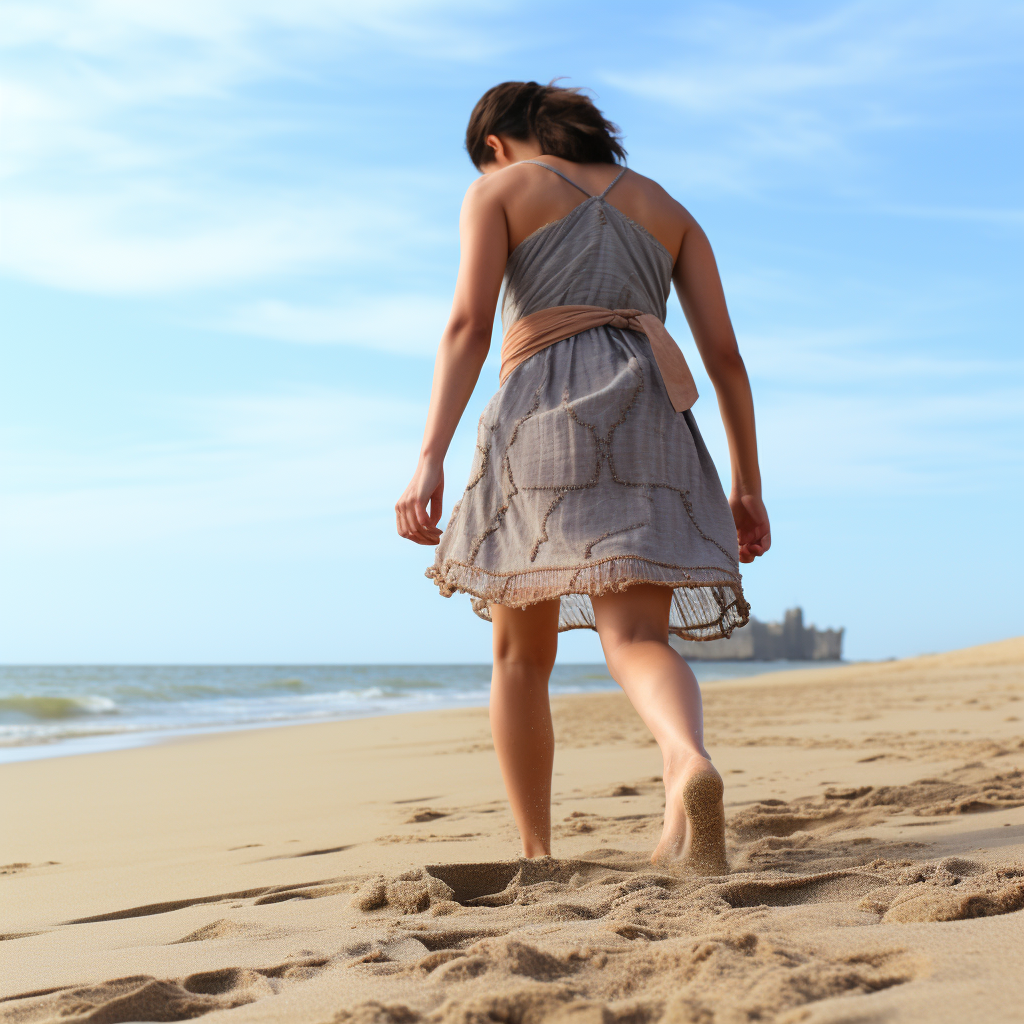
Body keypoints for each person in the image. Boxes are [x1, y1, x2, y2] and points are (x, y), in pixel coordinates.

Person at [396, 81, 770, 874]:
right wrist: (748, 483)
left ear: (494, 146)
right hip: (653, 417)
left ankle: (536, 851)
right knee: (636, 637)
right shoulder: (668, 207)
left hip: (541, 418)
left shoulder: (498, 190)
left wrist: (428, 453)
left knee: (520, 656)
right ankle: (684, 758)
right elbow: (727, 360)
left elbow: (466, 324)